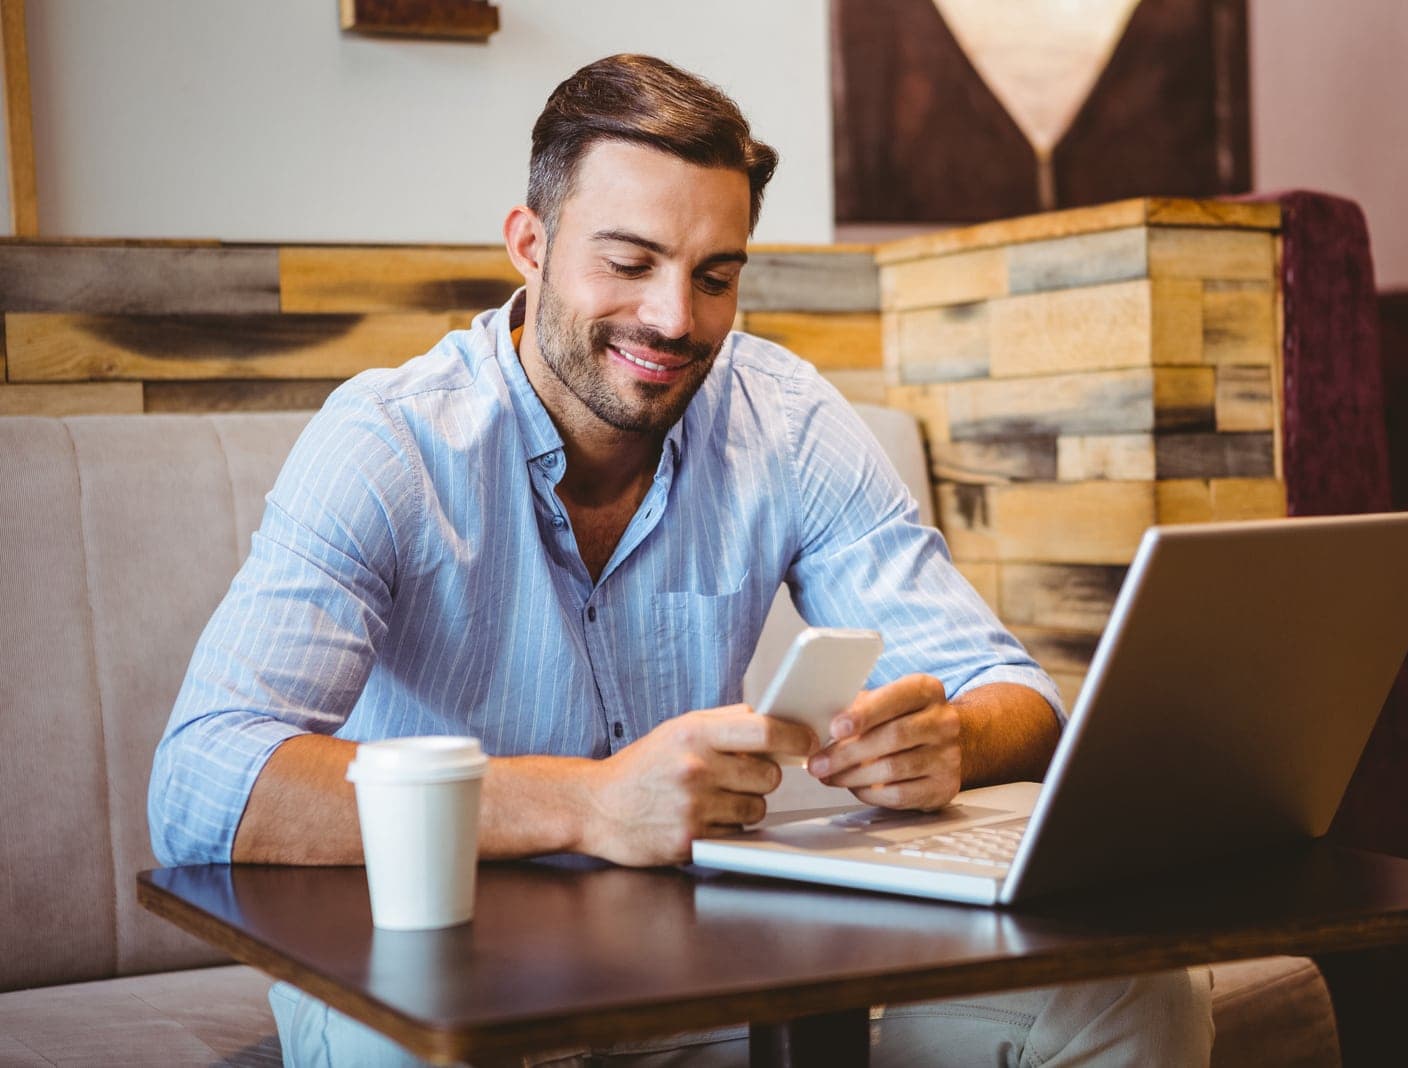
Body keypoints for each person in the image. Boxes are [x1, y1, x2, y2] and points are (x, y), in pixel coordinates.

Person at [150, 53, 1211, 1067]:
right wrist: (588, 803)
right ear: (529, 243)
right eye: (628, 263)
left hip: (699, 971)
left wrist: (950, 742)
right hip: (426, 977)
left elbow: (1017, 695)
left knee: (1134, 988)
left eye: (715, 276)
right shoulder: (387, 442)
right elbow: (203, 786)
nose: (674, 318)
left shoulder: (783, 420)